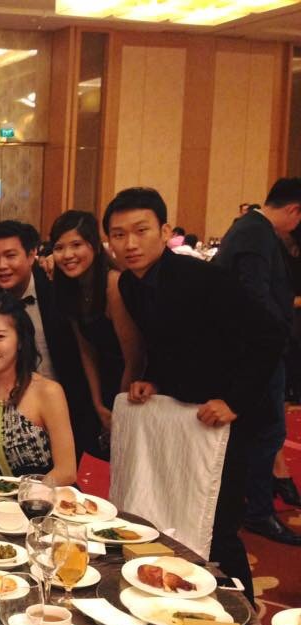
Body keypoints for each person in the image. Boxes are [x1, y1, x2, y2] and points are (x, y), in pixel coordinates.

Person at [106, 186, 285, 603]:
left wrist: (234, 401)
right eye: (118, 234)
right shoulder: (131, 284)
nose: (130, 243)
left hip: (228, 415)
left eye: (141, 230)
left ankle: (241, 615)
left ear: (165, 231)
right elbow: (168, 343)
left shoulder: (202, 278)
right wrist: (153, 380)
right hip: (186, 417)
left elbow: (270, 335)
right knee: (181, 515)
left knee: (218, 525)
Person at [213, 177, 301, 544]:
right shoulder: (256, 234)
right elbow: (255, 297)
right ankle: (258, 512)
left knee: (261, 432)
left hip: (252, 350)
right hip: (256, 352)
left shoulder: (249, 228)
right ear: (295, 211)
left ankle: (252, 504)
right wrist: (279, 331)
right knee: (267, 432)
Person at [0, 220, 98, 457]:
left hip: (70, 410)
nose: (2, 266)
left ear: (32, 253)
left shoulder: (58, 290)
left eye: (10, 255)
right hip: (11, 425)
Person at [0, 293, 77, 485]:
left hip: (52, 499)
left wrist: (25, 495)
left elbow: (67, 472)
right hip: (4, 500)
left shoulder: (47, 391)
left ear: (21, 340)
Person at [49, 210, 144, 435]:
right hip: (101, 383)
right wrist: (97, 403)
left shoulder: (114, 285)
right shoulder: (71, 288)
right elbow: (86, 350)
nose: (67, 255)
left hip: (131, 387)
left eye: (76, 245)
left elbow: (134, 358)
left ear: (95, 246)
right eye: (59, 247)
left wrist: (119, 407)